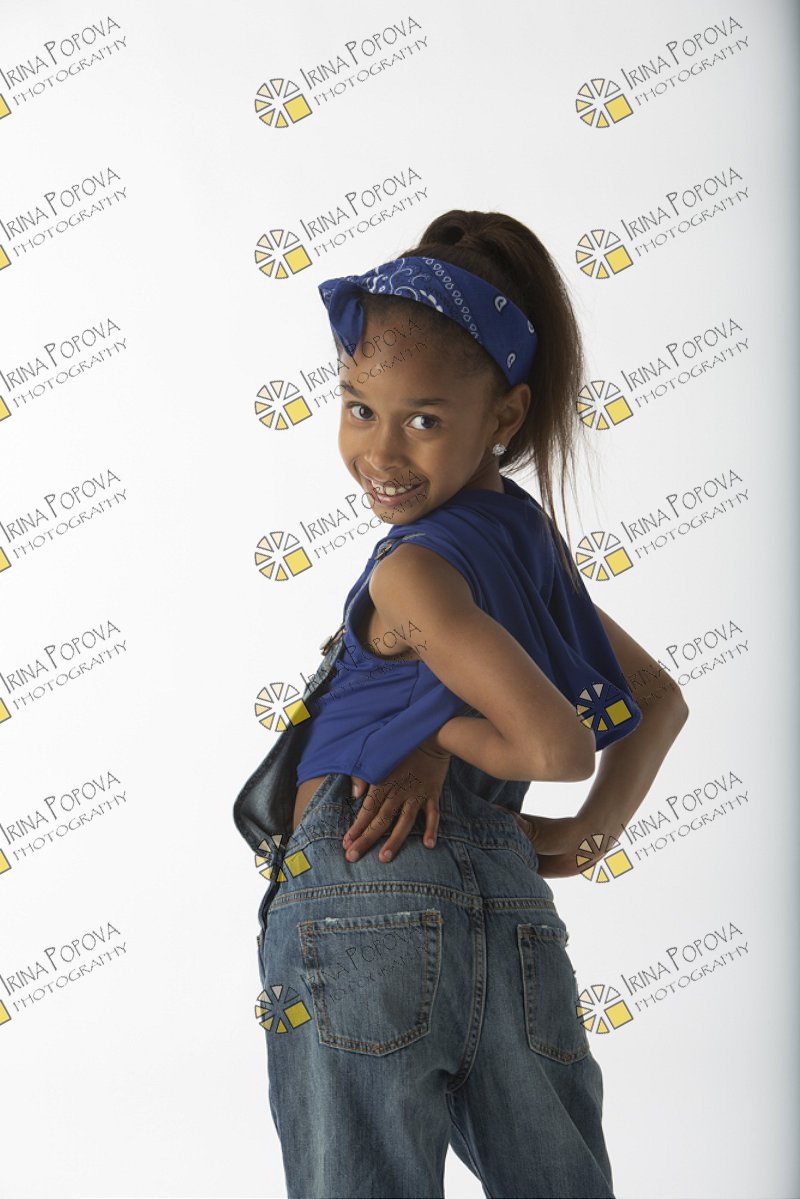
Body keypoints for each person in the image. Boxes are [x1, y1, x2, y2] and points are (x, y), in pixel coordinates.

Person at [232, 209, 690, 1199]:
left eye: (424, 420)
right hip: (506, 897)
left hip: (360, 889)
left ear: (505, 416)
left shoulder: (410, 572)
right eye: (358, 407)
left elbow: (555, 744)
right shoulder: (525, 542)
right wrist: (586, 838)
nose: (380, 452)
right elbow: (657, 699)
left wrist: (428, 729)